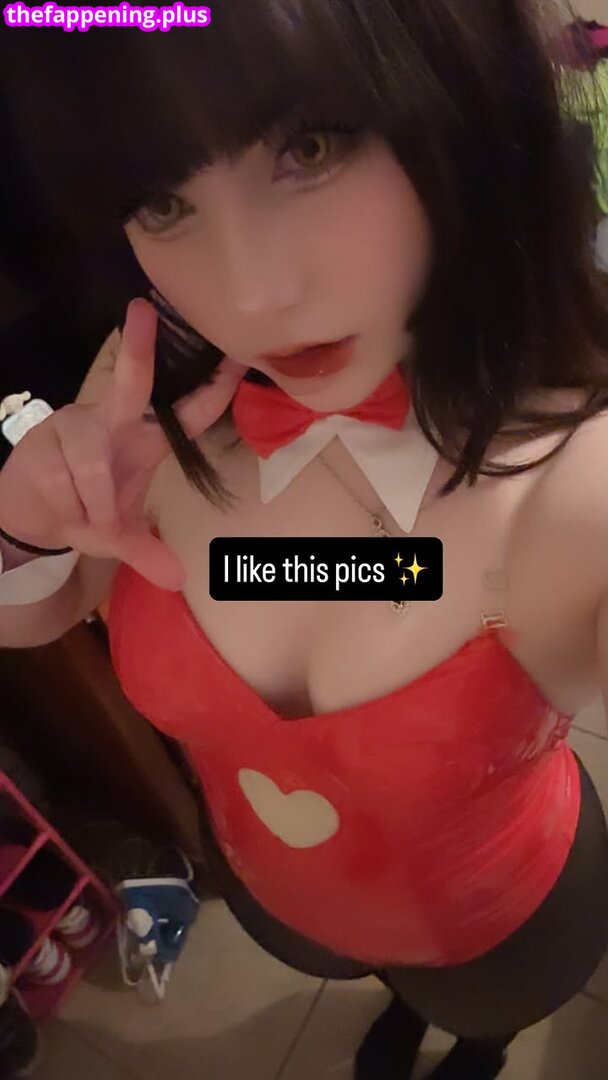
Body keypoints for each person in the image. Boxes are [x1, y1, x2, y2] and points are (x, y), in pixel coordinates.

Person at [1, 2, 608, 1077]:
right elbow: (39, 612)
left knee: (475, 1020)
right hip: (276, 895)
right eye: (163, 201)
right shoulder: (149, 388)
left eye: (312, 148)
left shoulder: (570, 482)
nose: (252, 296)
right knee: (362, 985)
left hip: (497, 919)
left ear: (466, 103)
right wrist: (21, 524)